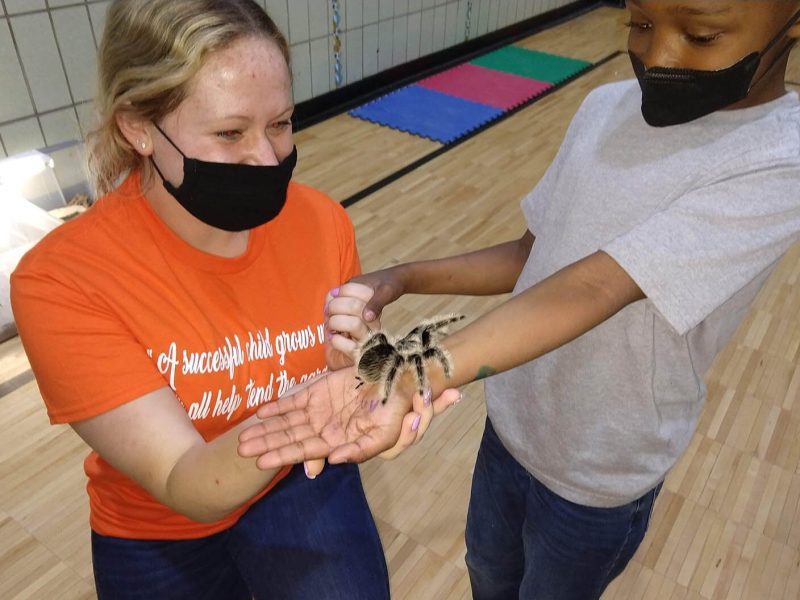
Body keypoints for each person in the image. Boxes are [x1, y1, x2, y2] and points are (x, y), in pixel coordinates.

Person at [237, 1, 800, 598]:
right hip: (513, 426)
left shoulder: (777, 158)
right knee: (489, 574)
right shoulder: (604, 109)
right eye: (638, 23)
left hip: (597, 474)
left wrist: (410, 376)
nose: (657, 56)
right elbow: (536, 252)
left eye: (702, 34)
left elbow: (595, 285)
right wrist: (403, 275)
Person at [9, 1, 447, 598]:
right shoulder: (62, 280)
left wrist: (359, 370)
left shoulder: (322, 223)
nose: (267, 159)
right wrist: (311, 424)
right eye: (229, 133)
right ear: (137, 127)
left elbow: (342, 369)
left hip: (298, 480)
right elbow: (182, 480)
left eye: (282, 124)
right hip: (158, 524)